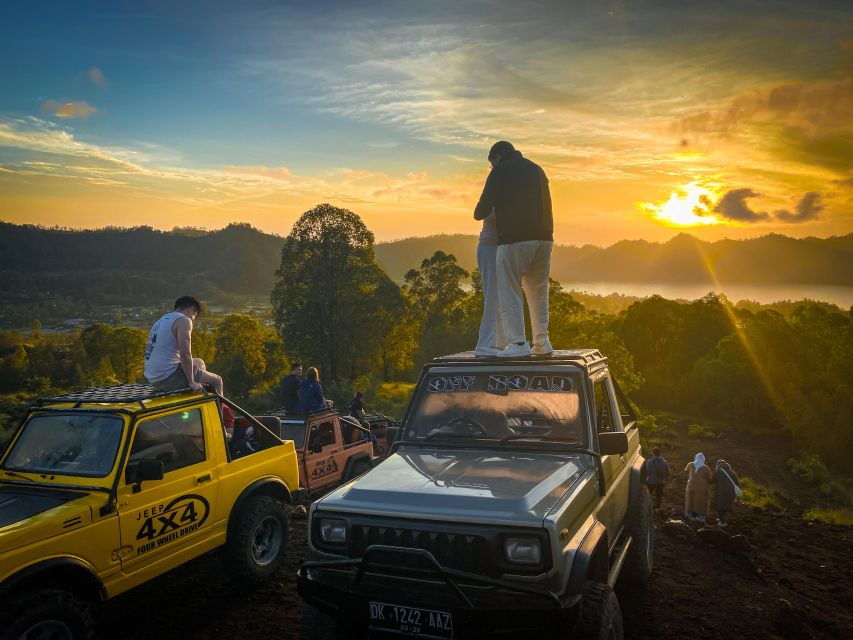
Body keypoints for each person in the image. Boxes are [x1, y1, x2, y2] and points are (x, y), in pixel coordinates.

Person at [474, 140, 554, 358]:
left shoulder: (501, 170)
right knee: (538, 291)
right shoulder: (537, 169)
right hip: (545, 238)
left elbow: (480, 211)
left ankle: (518, 343)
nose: (492, 168)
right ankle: (542, 342)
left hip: (514, 239)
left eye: (492, 164)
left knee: (508, 290)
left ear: (497, 158)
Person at [143, 296, 223, 395]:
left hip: (154, 378)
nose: (193, 320)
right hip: (168, 378)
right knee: (217, 381)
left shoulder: (162, 320)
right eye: (194, 317)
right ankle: (220, 409)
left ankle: (196, 396)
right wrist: (191, 382)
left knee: (199, 362)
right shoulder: (184, 320)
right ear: (192, 310)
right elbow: (185, 354)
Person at [473, 207, 507, 356]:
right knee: (492, 297)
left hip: (502, 249)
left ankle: (501, 341)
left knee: (502, 298)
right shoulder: (493, 195)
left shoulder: (507, 194)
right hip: (490, 248)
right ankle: (485, 344)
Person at [683, 452, 713, 524]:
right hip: (701, 488)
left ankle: (688, 515)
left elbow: (685, 470)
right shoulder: (706, 468)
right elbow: (710, 479)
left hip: (690, 486)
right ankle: (701, 518)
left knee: (690, 500)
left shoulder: (691, 464)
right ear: (703, 459)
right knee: (701, 502)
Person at [711, 459, 740, 527]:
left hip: (721, 492)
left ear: (718, 465)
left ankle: (723, 523)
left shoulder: (718, 471)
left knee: (720, 507)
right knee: (726, 506)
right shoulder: (732, 472)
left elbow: (712, 481)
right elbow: (737, 483)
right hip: (731, 493)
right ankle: (722, 519)